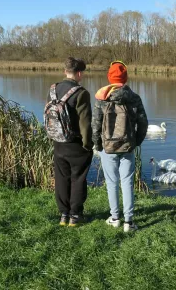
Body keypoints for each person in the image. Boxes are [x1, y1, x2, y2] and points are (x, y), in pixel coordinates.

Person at [92, 60, 148, 233]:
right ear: (125, 78)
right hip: (128, 146)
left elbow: (95, 125)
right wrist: (136, 142)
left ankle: (115, 218)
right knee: (127, 182)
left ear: (110, 77)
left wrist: (97, 144)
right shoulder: (134, 98)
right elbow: (143, 123)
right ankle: (128, 222)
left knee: (111, 182)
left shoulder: (102, 98)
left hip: (108, 147)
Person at [47, 57, 93, 227]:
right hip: (75, 144)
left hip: (58, 143)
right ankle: (75, 215)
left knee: (61, 179)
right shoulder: (81, 93)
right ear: (79, 73)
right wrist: (88, 145)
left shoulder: (53, 90)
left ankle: (63, 215)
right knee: (78, 179)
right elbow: (85, 123)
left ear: (65, 71)